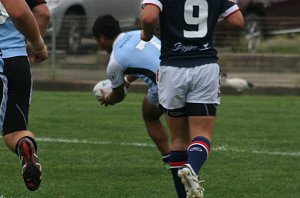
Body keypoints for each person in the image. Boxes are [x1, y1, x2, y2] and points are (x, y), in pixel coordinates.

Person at [140, 0, 244, 197]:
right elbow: (238, 21)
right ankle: (192, 167)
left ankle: (183, 189)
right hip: (205, 66)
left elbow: (148, 17)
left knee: (178, 140)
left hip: (173, 69)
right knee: (202, 134)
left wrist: (146, 34)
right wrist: (210, 21)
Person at [92, 14, 171, 168]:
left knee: (150, 116)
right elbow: (145, 59)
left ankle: (170, 159)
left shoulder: (115, 61)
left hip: (165, 83)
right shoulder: (137, 33)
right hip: (182, 71)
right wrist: (127, 80)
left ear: (101, 37)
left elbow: (119, 95)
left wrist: (107, 98)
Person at [0, 0, 49, 191]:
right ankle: (24, 145)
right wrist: (37, 45)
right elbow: (43, 13)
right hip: (16, 61)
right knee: (15, 131)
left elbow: (19, 11)